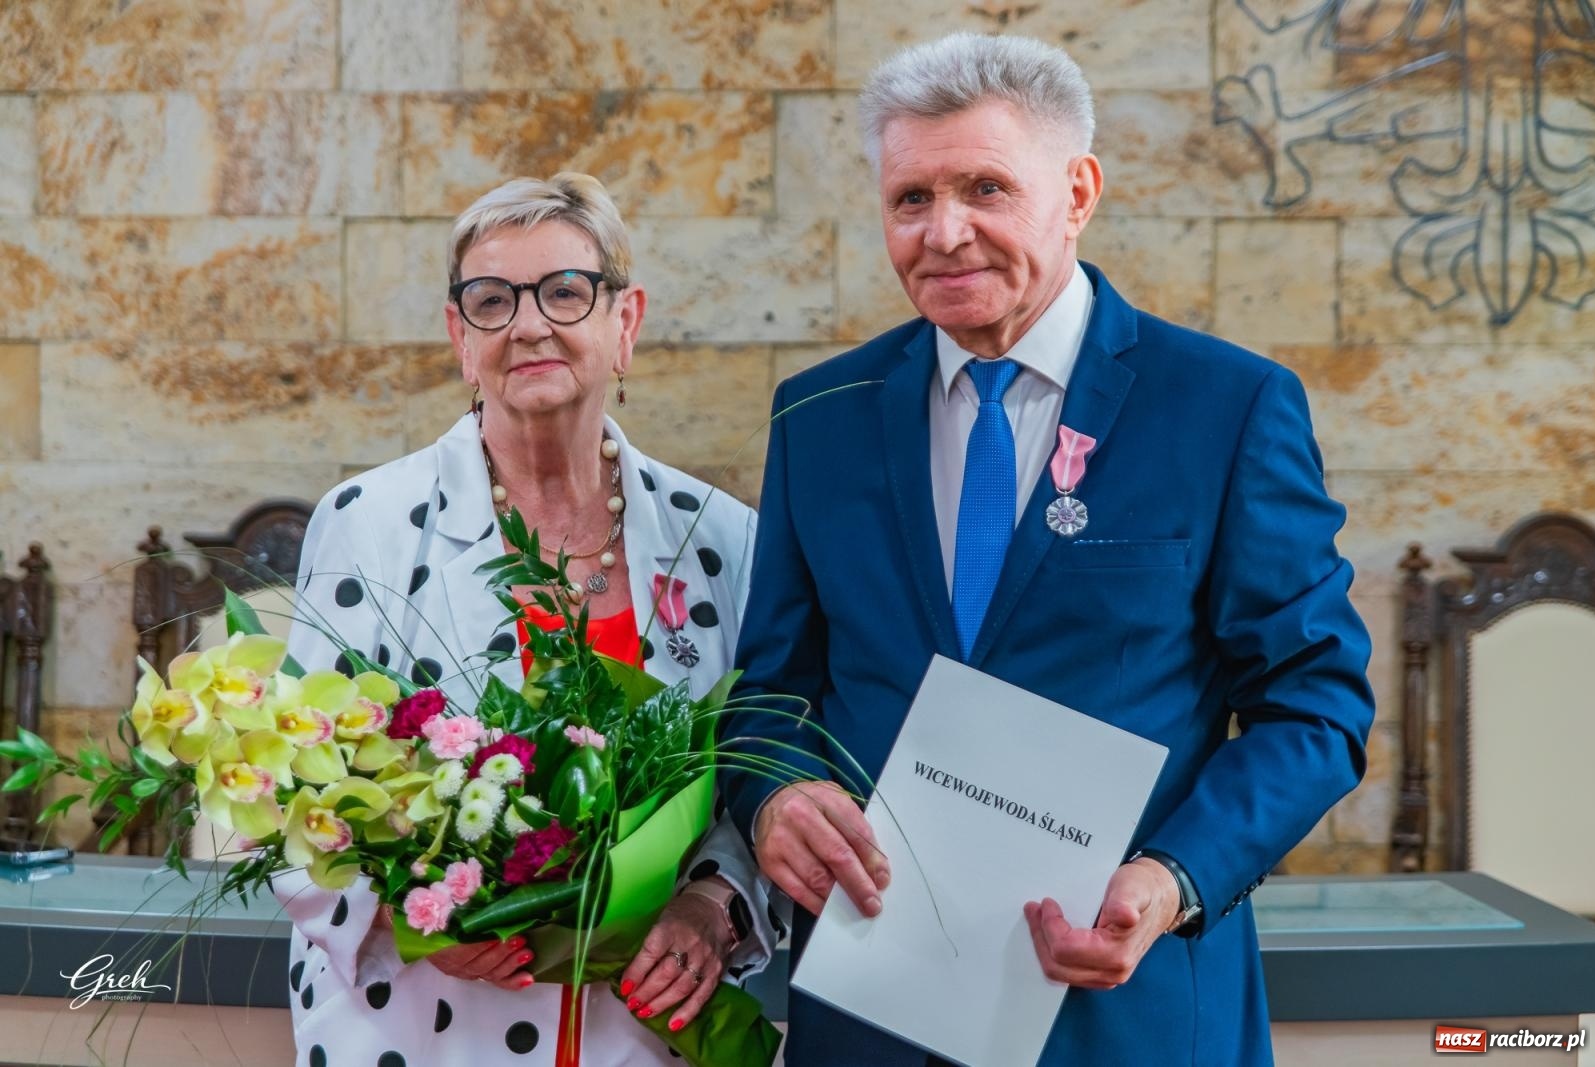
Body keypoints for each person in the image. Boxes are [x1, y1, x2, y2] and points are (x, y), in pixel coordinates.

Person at [720, 33, 1375, 1066]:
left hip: (1127, 1010)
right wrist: (774, 798)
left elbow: (1318, 702)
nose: (945, 233)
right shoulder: (819, 418)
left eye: (985, 187)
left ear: (1078, 190)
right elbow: (769, 695)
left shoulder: (1224, 407)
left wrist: (1173, 876)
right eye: (910, 199)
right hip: (873, 1014)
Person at [274, 174, 777, 1067]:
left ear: (626, 322)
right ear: (460, 339)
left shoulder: (722, 538)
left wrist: (712, 901)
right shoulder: (370, 523)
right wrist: (411, 908)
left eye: (566, 291)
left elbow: (759, 777)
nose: (529, 324)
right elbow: (292, 787)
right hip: (425, 1024)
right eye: (492, 300)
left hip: (645, 1033)